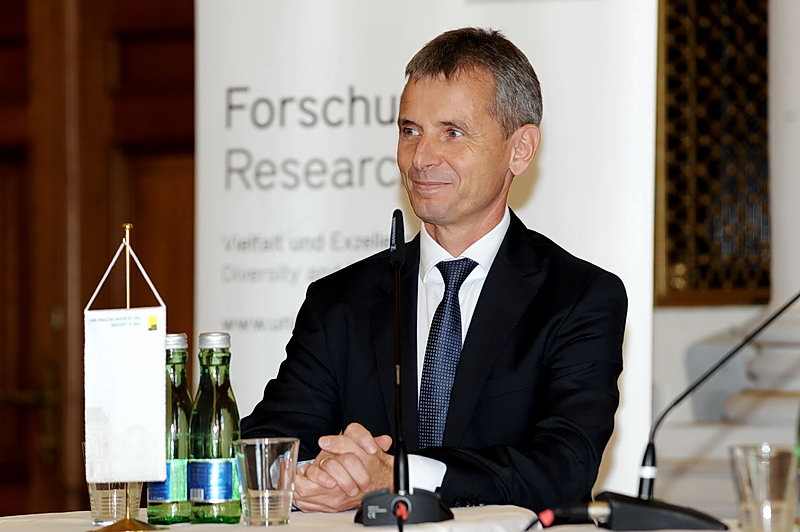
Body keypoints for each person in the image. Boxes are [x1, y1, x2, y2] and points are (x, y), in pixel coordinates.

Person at [241, 27, 627, 513]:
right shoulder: (340, 301)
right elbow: (269, 444)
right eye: (410, 131)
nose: (421, 158)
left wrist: (399, 474)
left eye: (452, 132)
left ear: (521, 149)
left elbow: (563, 468)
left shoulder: (578, 297)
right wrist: (315, 476)